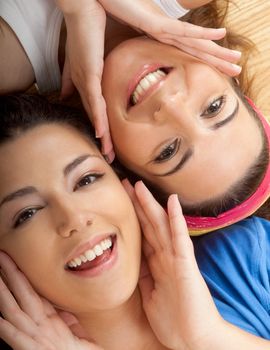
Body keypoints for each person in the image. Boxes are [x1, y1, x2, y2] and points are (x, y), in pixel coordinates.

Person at [0, 94, 270, 350]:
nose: (74, 218)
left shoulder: (247, 257)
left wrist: (209, 337)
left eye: (86, 180)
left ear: (122, 182)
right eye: (27, 214)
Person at [0, 0, 242, 160]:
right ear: (224, 72)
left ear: (116, 159)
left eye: (167, 152)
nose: (171, 106)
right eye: (213, 107)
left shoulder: (7, 64)